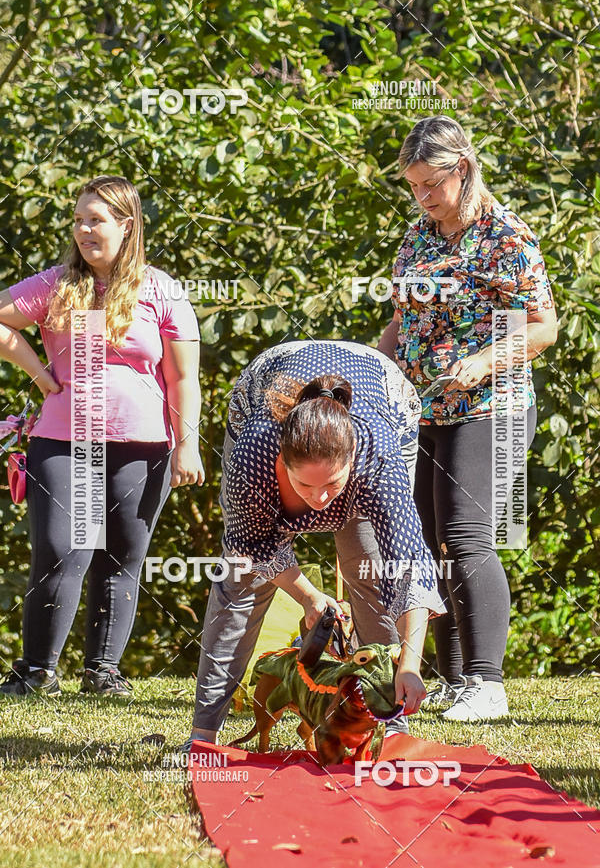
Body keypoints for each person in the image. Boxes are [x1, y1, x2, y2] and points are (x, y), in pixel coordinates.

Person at [378, 116, 557, 721]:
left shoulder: (505, 235)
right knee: (431, 544)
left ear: (463, 170)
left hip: (492, 408)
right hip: (425, 408)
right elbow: (404, 320)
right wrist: (370, 366)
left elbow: (542, 327)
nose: (422, 197)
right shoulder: (418, 237)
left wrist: (483, 360)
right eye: (412, 186)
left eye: (431, 183)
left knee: (465, 535)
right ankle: (455, 682)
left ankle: (488, 682)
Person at [0, 175, 203, 697]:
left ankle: (102, 671)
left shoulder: (163, 290)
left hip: (143, 446)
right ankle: (35, 671)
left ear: (126, 225)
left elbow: (183, 378)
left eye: (97, 220)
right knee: (62, 547)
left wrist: (188, 445)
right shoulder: (55, 285)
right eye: (78, 219)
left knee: (121, 556)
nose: (84, 229)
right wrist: (39, 373)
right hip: (66, 441)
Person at [186, 339, 446, 747]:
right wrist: (308, 597)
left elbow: (409, 564)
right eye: (305, 483)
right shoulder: (254, 456)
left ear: (352, 462)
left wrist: (410, 665)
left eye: (332, 484)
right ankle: (204, 731)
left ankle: (390, 723)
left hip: (385, 392)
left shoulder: (377, 458)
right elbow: (250, 545)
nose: (320, 498)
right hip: (268, 377)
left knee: (371, 569)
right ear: (281, 463)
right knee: (241, 582)